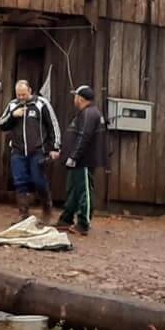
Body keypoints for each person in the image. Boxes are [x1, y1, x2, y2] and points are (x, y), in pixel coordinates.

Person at [0, 79, 61, 221]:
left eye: (23, 95)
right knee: (20, 181)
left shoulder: (41, 104)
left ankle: (47, 208)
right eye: (18, 95)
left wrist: (55, 147)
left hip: (37, 150)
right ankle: (23, 213)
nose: (21, 98)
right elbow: (1, 123)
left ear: (30, 91)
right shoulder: (13, 105)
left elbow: (53, 125)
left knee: (38, 180)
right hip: (17, 150)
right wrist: (13, 115)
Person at [57, 85, 107, 236]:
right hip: (78, 160)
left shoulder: (89, 114)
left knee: (84, 191)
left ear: (80, 98)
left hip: (83, 160)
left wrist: (74, 156)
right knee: (73, 190)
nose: (74, 99)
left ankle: (83, 223)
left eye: (75, 96)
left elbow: (84, 137)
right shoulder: (85, 113)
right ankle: (66, 219)